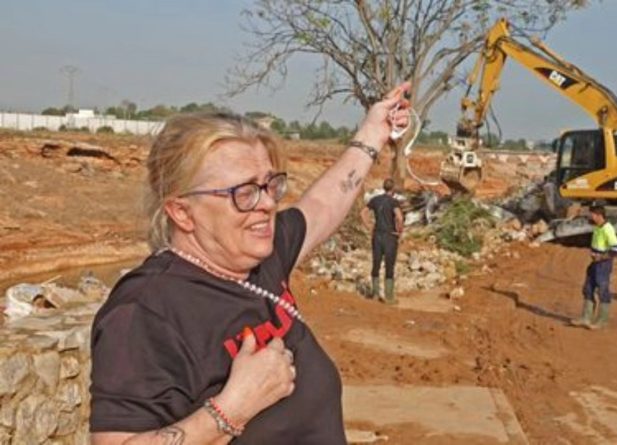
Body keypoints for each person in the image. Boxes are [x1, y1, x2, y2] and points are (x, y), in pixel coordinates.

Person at [89, 83, 412, 444]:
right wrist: (232, 408)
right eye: (243, 193)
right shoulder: (146, 311)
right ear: (182, 211)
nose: (266, 204)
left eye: (270, 185)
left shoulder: (260, 257)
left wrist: (373, 132)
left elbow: (322, 205)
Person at [570, 205, 617, 330]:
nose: (590, 217)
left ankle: (602, 320)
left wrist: (601, 257)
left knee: (602, 290)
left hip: (603, 264)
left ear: (598, 215)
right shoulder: (598, 227)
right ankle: (586, 318)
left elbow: (616, 249)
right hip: (595, 263)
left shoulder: (607, 229)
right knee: (588, 288)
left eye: (592, 214)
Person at [360, 178, 404, 304]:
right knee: (389, 266)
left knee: (376, 263)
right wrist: (399, 231)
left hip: (377, 235)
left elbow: (363, 213)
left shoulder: (375, 200)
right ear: (393, 189)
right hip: (390, 236)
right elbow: (399, 218)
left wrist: (369, 227)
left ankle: (375, 294)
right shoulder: (393, 202)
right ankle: (389, 297)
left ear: (384, 187)